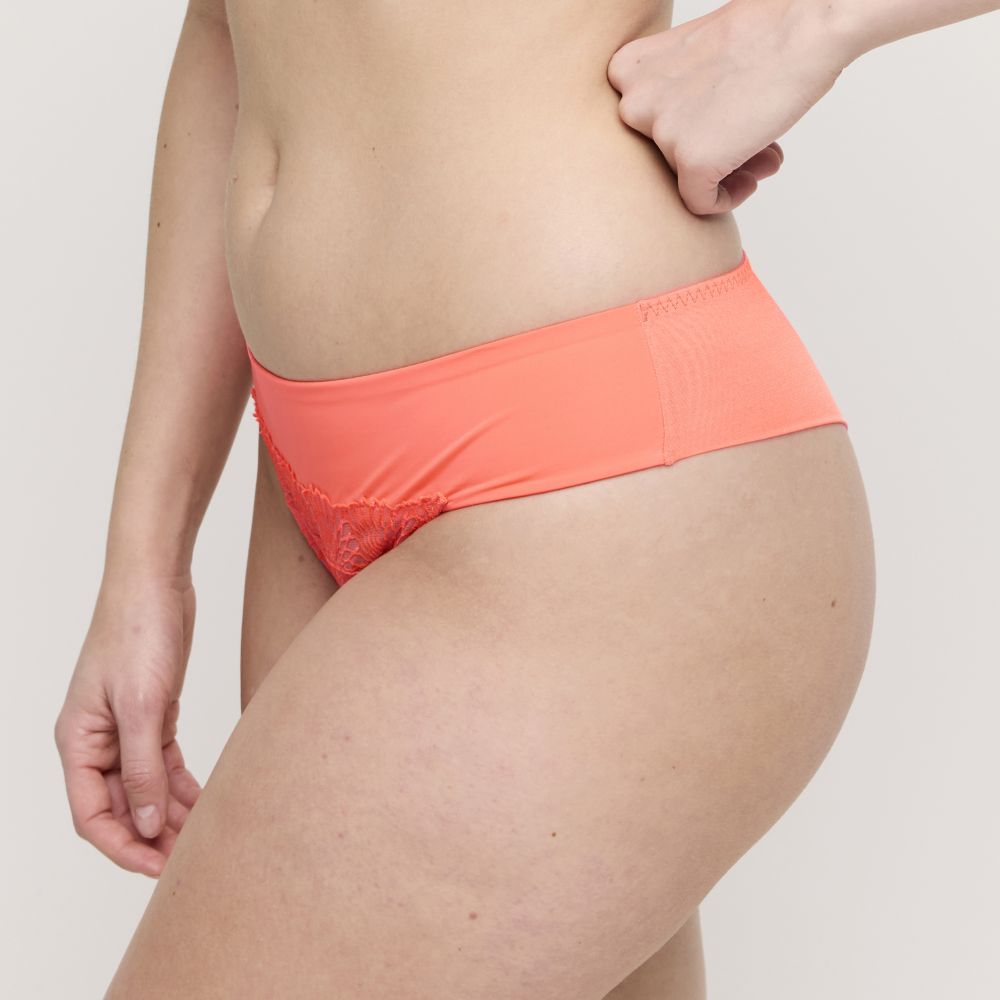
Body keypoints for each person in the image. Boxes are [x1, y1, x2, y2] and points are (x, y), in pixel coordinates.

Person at [53, 1, 997, 996]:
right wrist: (145, 564)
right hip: (310, 487)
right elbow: (229, 29)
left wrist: (801, 27)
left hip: (586, 463)